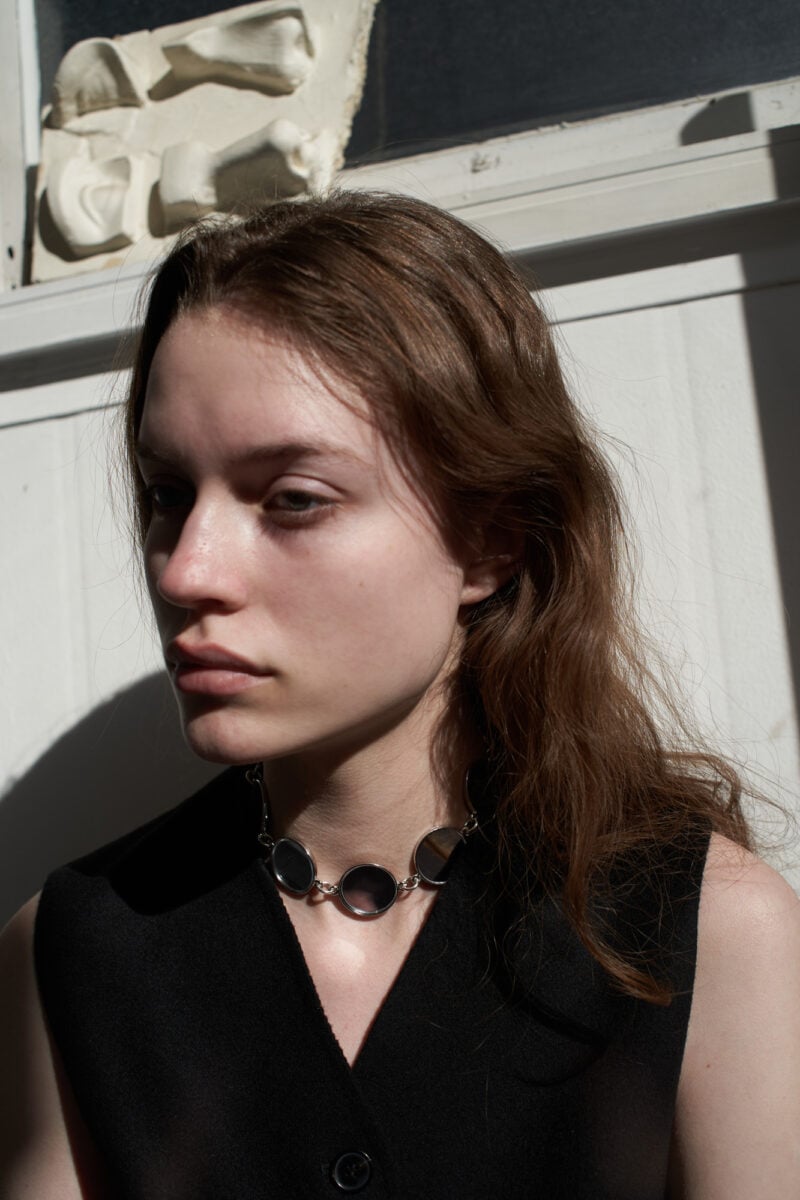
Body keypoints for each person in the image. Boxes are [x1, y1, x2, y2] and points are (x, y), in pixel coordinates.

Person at [1, 190, 799, 1199]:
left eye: (293, 499)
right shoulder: (70, 951)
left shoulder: (703, 927)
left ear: (492, 539)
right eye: (168, 494)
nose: (186, 570)